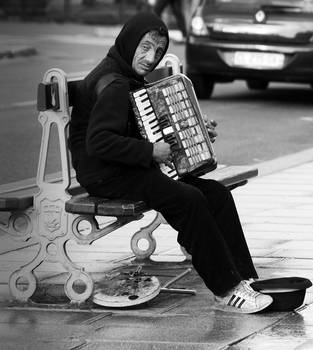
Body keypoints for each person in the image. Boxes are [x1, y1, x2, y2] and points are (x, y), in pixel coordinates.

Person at [68, 12, 272, 314]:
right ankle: (226, 291)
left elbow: (138, 124)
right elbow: (99, 142)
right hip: (106, 174)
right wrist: (150, 152)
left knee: (216, 194)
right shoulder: (113, 84)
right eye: (145, 47)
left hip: (127, 166)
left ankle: (244, 278)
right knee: (188, 199)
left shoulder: (126, 74)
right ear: (129, 42)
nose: (151, 58)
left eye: (158, 51)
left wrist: (195, 132)